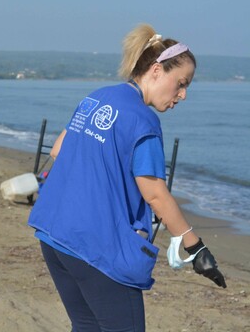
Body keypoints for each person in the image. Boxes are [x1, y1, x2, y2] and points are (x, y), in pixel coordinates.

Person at [28, 24, 226, 331]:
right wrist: (195, 247)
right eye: (181, 83)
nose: (183, 95)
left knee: (86, 326)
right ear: (157, 71)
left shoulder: (97, 98)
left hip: (54, 237)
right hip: (95, 248)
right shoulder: (142, 120)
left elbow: (57, 151)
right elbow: (155, 195)